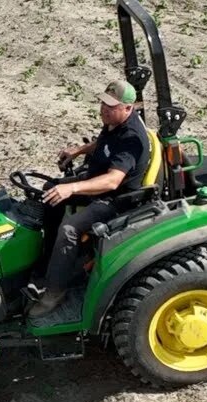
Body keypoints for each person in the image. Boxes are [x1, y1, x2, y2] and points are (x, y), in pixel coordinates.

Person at [30, 79, 151, 321]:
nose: (104, 109)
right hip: (98, 182)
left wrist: (73, 187)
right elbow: (104, 145)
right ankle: (46, 260)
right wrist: (78, 150)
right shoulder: (114, 122)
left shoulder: (132, 139)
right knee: (49, 191)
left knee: (70, 229)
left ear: (129, 108)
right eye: (103, 103)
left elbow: (112, 181)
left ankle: (55, 292)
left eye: (112, 106)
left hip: (115, 200)